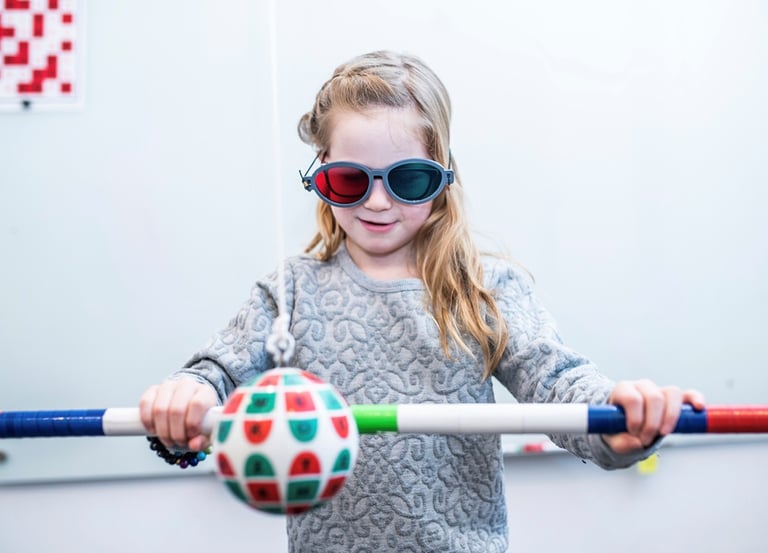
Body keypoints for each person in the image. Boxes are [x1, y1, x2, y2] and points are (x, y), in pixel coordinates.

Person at [139, 50, 705, 553]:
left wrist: (615, 418)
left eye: (407, 179)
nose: (379, 203)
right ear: (319, 180)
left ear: (442, 179)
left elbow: (557, 385)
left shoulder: (484, 288)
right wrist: (187, 398)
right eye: (349, 181)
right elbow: (213, 374)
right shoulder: (290, 291)